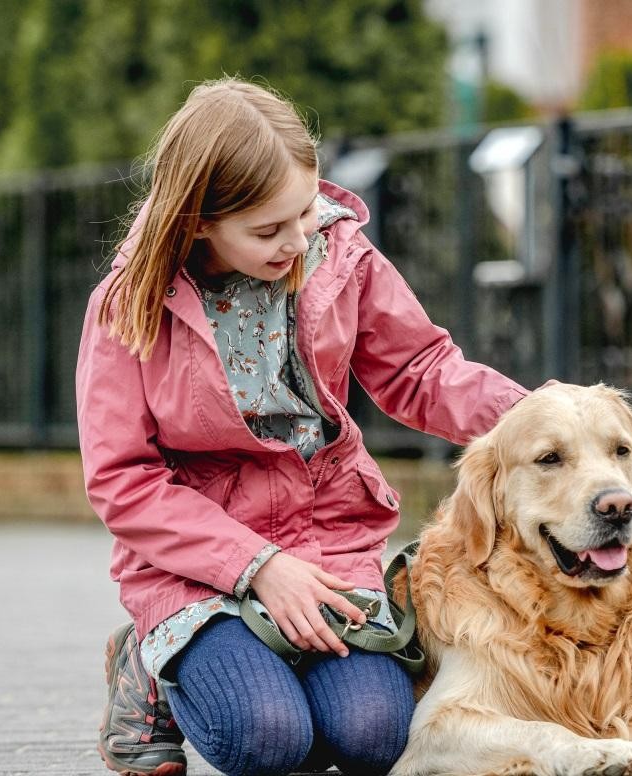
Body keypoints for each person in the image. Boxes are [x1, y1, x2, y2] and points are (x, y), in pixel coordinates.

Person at [76, 78, 528, 776]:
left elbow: (419, 370)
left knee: (374, 737)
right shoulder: (127, 304)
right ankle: (148, 660)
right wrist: (256, 566)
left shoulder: (339, 254)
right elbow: (122, 481)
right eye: (268, 230)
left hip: (327, 548)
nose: (299, 240)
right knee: (267, 739)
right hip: (198, 571)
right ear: (198, 221)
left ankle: (264, 674)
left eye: (307, 210)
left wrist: (535, 418)